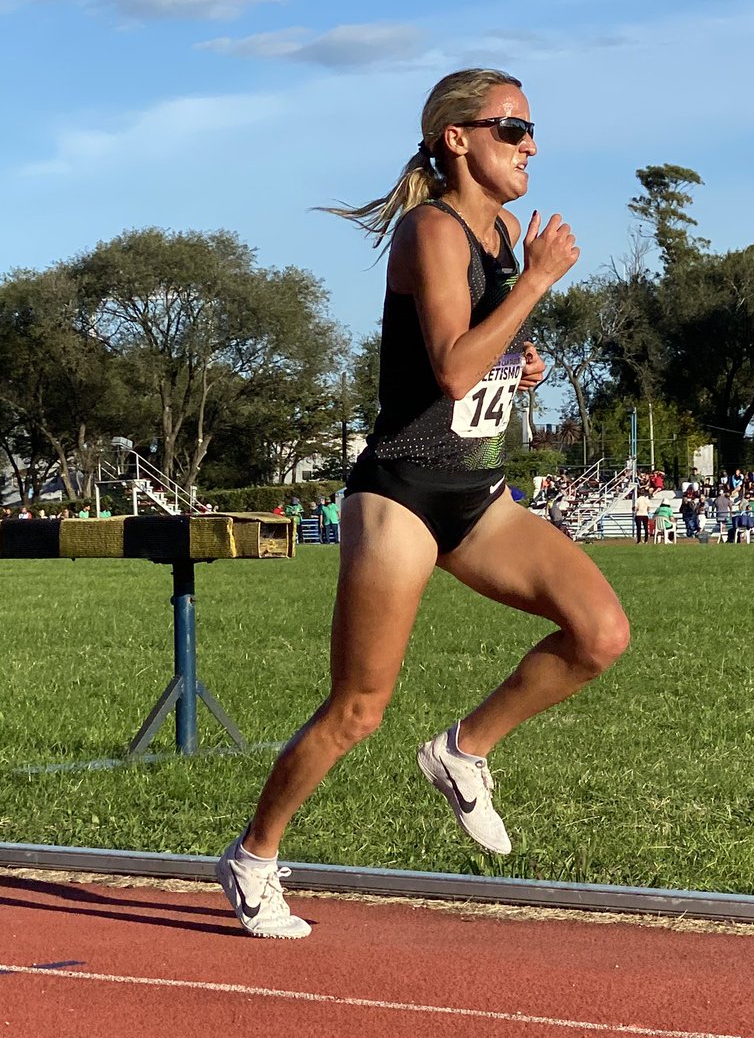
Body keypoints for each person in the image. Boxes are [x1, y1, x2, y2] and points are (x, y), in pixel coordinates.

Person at [215, 68, 630, 939]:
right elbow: (447, 369)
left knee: (600, 633)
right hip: (401, 490)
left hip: (478, 492)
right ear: (457, 138)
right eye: (513, 129)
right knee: (358, 708)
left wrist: (524, 357)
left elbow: (482, 355)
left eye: (529, 131)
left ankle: (463, 749)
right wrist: (536, 286)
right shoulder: (430, 231)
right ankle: (253, 858)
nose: (531, 147)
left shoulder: (505, 230)